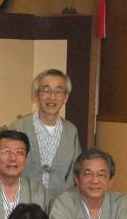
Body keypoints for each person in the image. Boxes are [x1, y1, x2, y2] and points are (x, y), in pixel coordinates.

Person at [10, 69, 83, 199]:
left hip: (60, 204)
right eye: (46, 90)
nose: (52, 97)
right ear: (36, 95)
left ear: (66, 97)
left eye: (58, 91)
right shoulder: (19, 128)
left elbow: (76, 172)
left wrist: (66, 202)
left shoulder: (71, 131)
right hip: (23, 203)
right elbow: (7, 169)